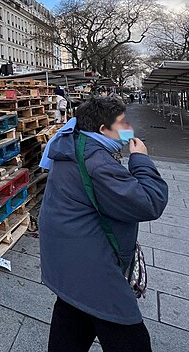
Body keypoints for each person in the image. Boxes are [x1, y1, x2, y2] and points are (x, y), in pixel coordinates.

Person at [39, 96, 168, 352]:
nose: (128, 128)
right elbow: (149, 203)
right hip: (91, 264)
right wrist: (140, 159)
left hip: (66, 256)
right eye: (122, 123)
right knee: (127, 332)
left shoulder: (71, 143)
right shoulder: (96, 161)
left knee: (72, 312)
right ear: (101, 129)